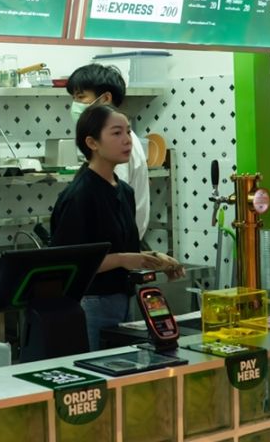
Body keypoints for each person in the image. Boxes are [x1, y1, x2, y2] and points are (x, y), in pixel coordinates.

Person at [50, 104, 184, 351]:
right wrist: (123, 259)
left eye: (128, 132)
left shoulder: (124, 191)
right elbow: (69, 264)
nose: (127, 140)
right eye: (116, 133)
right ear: (92, 143)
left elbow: (122, 248)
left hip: (123, 298)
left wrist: (156, 259)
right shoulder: (79, 195)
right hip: (91, 303)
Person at [66, 64, 151, 239]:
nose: (75, 105)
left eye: (81, 97)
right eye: (73, 98)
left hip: (119, 242)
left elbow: (112, 204)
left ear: (105, 98)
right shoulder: (109, 139)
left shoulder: (116, 144)